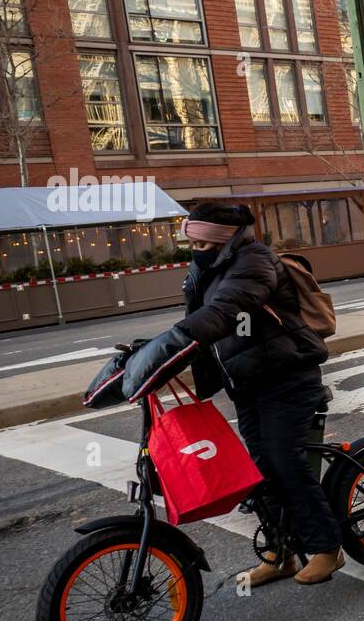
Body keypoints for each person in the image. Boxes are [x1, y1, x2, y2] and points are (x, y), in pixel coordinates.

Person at [121, 202, 343, 587]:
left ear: (220, 240)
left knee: (283, 462)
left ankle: (327, 549)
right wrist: (156, 355)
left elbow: (223, 313)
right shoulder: (205, 268)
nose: (192, 248)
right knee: (257, 472)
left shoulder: (254, 262)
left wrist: (168, 345)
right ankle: (281, 554)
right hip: (248, 382)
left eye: (199, 241)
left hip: (286, 378)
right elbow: (201, 325)